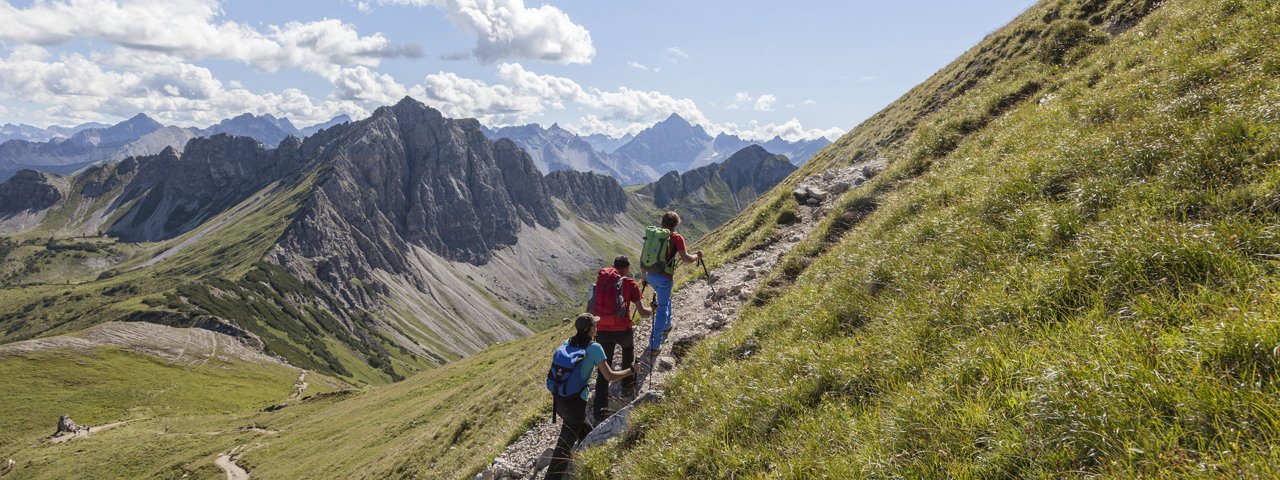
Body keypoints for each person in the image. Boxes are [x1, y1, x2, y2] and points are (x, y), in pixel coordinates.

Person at [547, 313, 634, 480]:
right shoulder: (594, 348)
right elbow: (609, 376)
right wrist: (631, 371)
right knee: (563, 448)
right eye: (595, 324)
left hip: (558, 401)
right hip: (575, 405)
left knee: (587, 434)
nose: (597, 327)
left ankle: (594, 459)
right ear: (591, 329)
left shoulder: (567, 343)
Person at [592, 255, 654, 421]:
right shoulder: (629, 283)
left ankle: (599, 412)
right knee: (628, 351)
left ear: (613, 266)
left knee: (604, 370)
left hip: (602, 331)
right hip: (622, 330)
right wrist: (653, 309)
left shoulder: (602, 281)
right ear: (626, 268)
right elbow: (642, 312)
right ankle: (627, 387)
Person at [643, 211, 702, 357]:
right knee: (661, 308)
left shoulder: (654, 235)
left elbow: (644, 256)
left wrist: (644, 277)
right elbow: (686, 259)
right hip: (664, 278)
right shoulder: (676, 237)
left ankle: (667, 325)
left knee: (665, 298)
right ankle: (655, 344)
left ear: (662, 222)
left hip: (650, 275)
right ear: (676, 223)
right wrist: (697, 256)